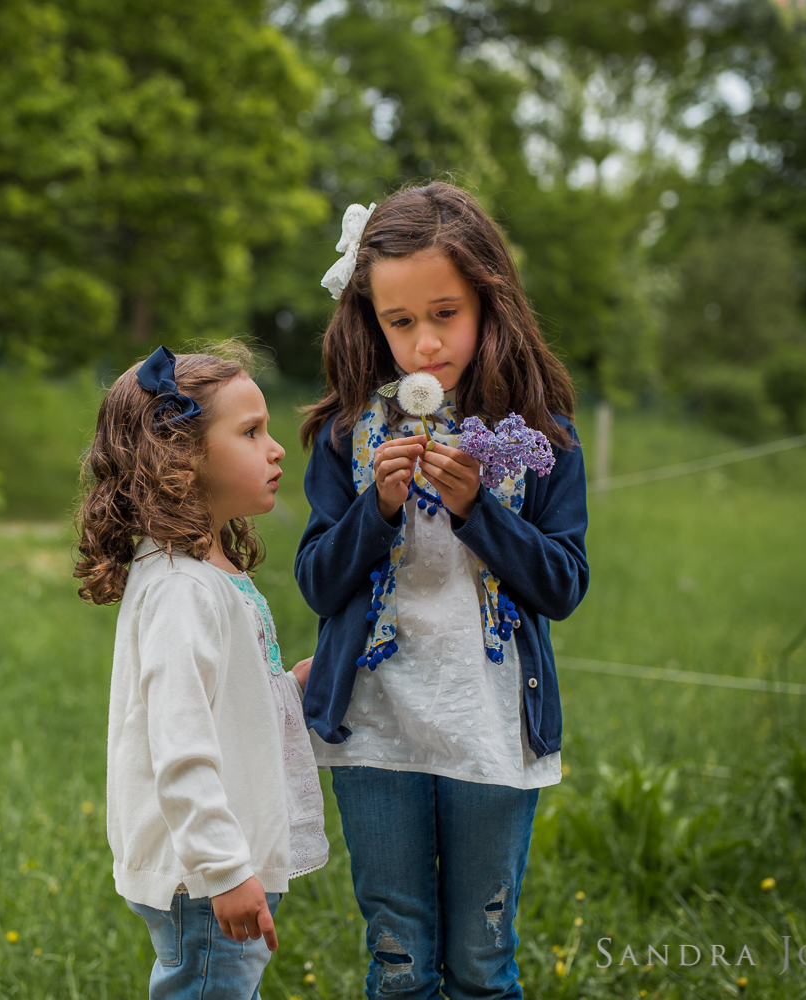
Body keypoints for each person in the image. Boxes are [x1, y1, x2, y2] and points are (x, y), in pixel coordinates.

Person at [290, 182, 588, 1000]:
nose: (424, 343)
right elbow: (317, 578)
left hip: (488, 726)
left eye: (445, 313)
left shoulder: (541, 437)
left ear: (490, 303)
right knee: (397, 961)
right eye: (400, 321)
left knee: (483, 964)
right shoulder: (350, 435)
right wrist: (375, 509)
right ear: (372, 322)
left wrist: (476, 510)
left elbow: (563, 585)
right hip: (375, 724)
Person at [76, 345, 328, 1000]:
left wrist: (290, 690)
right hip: (204, 875)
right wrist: (224, 870)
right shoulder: (183, 588)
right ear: (179, 458)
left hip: (212, 869)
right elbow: (178, 743)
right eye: (250, 433)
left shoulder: (209, 571)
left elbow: (223, 703)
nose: (275, 449)